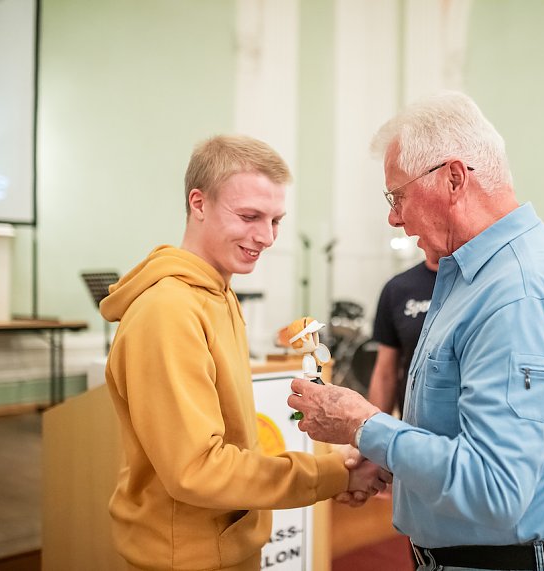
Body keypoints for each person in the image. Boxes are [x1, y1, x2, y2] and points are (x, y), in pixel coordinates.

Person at [289, 92, 544, 571]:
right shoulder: (472, 275)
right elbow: (460, 431)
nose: (394, 216)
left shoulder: (518, 292)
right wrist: (392, 457)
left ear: (454, 178)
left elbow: (495, 488)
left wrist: (364, 425)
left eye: (397, 196)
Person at [99, 135, 388, 571]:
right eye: (250, 216)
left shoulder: (219, 293)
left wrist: (334, 463)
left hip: (226, 542)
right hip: (187, 556)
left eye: (275, 220)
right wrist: (335, 475)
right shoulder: (168, 310)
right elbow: (197, 469)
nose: (266, 236)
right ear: (198, 204)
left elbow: (235, 440)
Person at [367, 250, 438, 418]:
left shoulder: (476, 282)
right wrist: (371, 434)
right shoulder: (398, 288)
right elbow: (385, 373)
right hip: (412, 426)